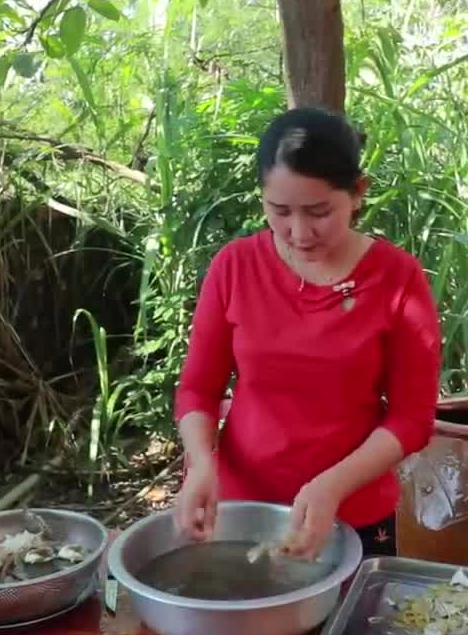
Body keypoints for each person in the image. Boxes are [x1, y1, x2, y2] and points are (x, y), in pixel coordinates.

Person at [170, 106, 443, 561]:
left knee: (344, 630)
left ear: (358, 193)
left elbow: (411, 418)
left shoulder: (398, 279)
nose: (298, 233)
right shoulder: (235, 267)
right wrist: (200, 463)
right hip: (241, 509)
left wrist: (332, 486)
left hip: (355, 515)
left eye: (318, 212)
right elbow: (198, 389)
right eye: (279, 210)